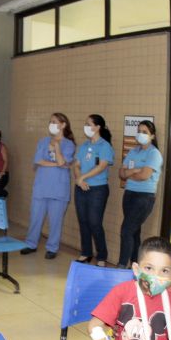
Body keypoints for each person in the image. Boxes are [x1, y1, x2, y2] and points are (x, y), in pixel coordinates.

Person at [21, 112, 76, 260]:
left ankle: (52, 248)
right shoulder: (43, 141)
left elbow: (63, 162)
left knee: (55, 221)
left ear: (63, 125)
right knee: (35, 218)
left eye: (54, 121)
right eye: (50, 121)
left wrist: (57, 147)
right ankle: (31, 244)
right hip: (41, 187)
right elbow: (39, 161)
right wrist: (59, 164)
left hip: (58, 189)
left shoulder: (68, 144)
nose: (51, 124)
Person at [117, 120, 164, 269]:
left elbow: (145, 175)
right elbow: (121, 173)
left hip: (144, 197)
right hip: (129, 194)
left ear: (152, 136)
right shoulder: (133, 151)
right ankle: (136, 265)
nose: (141, 134)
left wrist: (130, 173)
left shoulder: (154, 153)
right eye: (139, 131)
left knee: (126, 230)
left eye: (145, 132)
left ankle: (121, 266)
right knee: (134, 232)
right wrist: (135, 171)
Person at [74, 114, 114, 267]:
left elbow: (102, 166)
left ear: (97, 127)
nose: (86, 127)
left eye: (88, 124)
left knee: (94, 222)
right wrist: (79, 179)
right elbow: (76, 165)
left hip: (97, 189)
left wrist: (82, 178)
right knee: (83, 221)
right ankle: (86, 252)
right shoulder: (83, 146)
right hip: (81, 188)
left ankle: (102, 255)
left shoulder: (105, 146)